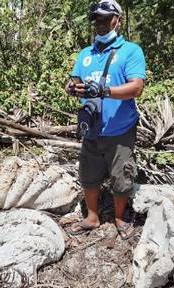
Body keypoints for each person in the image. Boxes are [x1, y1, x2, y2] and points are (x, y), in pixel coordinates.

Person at [65, 0, 146, 240]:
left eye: (105, 18)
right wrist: (72, 87)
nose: (100, 23)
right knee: (88, 175)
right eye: (96, 19)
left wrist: (104, 90)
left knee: (122, 176)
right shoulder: (85, 54)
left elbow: (137, 87)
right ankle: (92, 217)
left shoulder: (131, 51)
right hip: (91, 128)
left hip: (120, 130)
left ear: (117, 20)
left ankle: (120, 218)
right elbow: (74, 80)